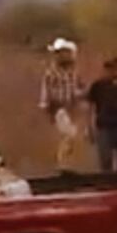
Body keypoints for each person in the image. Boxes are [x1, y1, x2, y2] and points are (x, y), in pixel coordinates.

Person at [39, 38, 87, 172]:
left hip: (72, 107)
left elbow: (80, 88)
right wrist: (47, 108)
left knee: (73, 136)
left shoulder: (74, 72)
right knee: (69, 134)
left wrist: (80, 98)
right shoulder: (51, 72)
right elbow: (46, 92)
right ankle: (62, 164)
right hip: (58, 108)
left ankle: (67, 164)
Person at [87, 57, 117, 173]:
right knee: (105, 160)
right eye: (110, 68)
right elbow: (91, 107)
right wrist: (90, 127)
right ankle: (107, 187)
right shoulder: (98, 86)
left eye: (116, 68)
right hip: (104, 127)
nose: (113, 71)